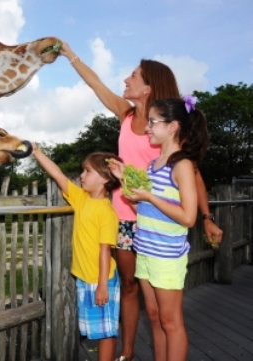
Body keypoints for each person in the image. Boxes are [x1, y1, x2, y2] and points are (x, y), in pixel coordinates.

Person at [59, 41, 223, 361]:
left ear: (148, 87)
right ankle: (128, 351)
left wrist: (206, 217)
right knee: (130, 286)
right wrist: (69, 54)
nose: (125, 79)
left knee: (160, 307)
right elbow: (95, 83)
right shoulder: (126, 114)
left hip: (155, 220)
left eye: (133, 75)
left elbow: (193, 176)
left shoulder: (168, 130)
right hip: (124, 214)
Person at [108, 96, 209, 360]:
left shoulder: (182, 165)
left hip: (166, 256)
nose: (148, 127)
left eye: (153, 122)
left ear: (173, 126)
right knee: (154, 317)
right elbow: (144, 211)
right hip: (146, 251)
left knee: (171, 322)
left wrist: (151, 197)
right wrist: (125, 181)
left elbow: (188, 217)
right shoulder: (153, 166)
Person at [31, 145, 122, 361]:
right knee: (97, 327)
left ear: (105, 179)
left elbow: (104, 251)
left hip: (102, 280)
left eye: (88, 171)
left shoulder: (107, 213)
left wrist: (101, 286)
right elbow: (57, 174)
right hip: (85, 278)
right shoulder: (81, 199)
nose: (81, 175)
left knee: (106, 332)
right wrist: (36, 152)